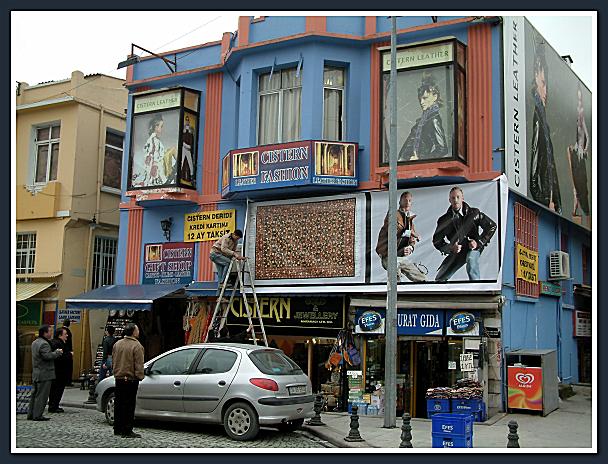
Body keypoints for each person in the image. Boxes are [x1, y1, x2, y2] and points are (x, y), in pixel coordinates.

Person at [432, 186, 497, 281]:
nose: (456, 200)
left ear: (462, 198)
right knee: (440, 278)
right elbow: (437, 241)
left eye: (458, 197)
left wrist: (478, 242)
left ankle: (476, 287)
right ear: (449, 200)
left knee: (471, 260)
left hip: (473, 248)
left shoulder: (474, 213)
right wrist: (451, 248)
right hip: (457, 251)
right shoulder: (444, 220)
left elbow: (492, 226)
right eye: (453, 198)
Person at [529, 39, 562, 214]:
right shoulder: (537, 119)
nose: (545, 90)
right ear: (535, 81)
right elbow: (533, 179)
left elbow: (550, 167)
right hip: (549, 205)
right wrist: (545, 202)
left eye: (546, 83)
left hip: (554, 202)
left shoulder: (544, 119)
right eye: (542, 83)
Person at [375, 191, 426, 282]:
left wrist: (410, 248)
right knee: (396, 276)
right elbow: (394, 230)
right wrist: (412, 233)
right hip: (388, 256)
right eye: (405, 200)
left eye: (409, 200)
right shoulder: (393, 214)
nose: (407, 202)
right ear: (399, 202)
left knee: (421, 278)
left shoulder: (410, 221)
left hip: (400, 257)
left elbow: (412, 240)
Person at [398, 73, 448, 161]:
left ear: (435, 97)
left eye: (425, 98)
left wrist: (421, 159)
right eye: (420, 99)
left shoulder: (434, 120)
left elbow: (442, 149)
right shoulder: (423, 120)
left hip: (413, 164)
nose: (421, 102)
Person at [112, 323, 145, 438]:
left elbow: (114, 360)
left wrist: (116, 373)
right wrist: (140, 376)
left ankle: (117, 428)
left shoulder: (117, 344)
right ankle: (127, 430)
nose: (139, 331)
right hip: (130, 379)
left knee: (119, 404)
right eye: (137, 330)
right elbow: (139, 364)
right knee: (129, 405)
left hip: (119, 378)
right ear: (133, 332)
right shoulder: (136, 346)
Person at [27, 325, 63, 421]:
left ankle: (31, 414)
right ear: (44, 333)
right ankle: (37, 415)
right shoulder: (44, 344)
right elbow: (47, 356)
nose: (51, 333)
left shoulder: (35, 342)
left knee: (34, 395)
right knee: (42, 396)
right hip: (45, 373)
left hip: (36, 372)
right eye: (50, 331)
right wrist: (57, 352)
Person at [567, 86, 590, 221]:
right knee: (576, 188)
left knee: (581, 189)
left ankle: (583, 212)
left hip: (580, 156)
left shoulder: (582, 117)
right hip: (576, 154)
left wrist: (584, 150)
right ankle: (575, 211)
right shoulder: (576, 115)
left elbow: (587, 136)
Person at [210, 230, 246, 299]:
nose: (237, 239)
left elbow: (232, 251)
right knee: (228, 262)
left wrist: (237, 257)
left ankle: (219, 297)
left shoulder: (235, 241)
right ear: (234, 234)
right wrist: (234, 254)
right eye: (237, 238)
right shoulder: (226, 237)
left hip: (221, 256)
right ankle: (223, 282)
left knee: (220, 276)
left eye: (238, 239)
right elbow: (223, 249)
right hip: (215, 254)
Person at [48, 327, 71, 413]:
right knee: (58, 389)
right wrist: (69, 354)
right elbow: (60, 357)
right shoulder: (59, 344)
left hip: (56, 371)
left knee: (53, 389)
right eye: (65, 334)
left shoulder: (54, 342)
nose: (67, 335)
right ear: (60, 335)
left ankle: (52, 405)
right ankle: (54, 406)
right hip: (60, 371)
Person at [142, 115, 167, 186]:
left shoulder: (153, 139)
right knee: (157, 175)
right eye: (161, 126)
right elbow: (153, 151)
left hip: (155, 162)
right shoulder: (154, 139)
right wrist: (155, 163)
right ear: (156, 127)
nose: (162, 129)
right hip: (155, 163)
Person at [181, 115, 195, 184]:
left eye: (187, 120)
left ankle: (191, 176)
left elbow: (191, 142)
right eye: (186, 120)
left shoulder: (190, 132)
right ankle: (181, 175)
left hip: (187, 148)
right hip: (183, 148)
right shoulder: (183, 131)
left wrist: (187, 146)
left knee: (190, 162)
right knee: (182, 161)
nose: (187, 121)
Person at [61, 319, 74, 386]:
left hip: (61, 352)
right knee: (68, 367)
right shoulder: (68, 331)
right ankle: (68, 382)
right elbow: (69, 342)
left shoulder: (59, 330)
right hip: (67, 351)